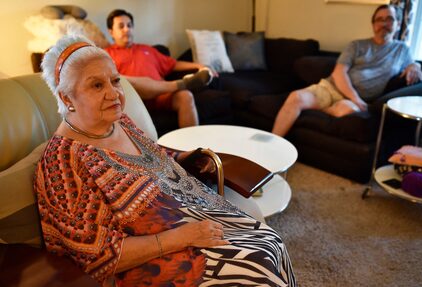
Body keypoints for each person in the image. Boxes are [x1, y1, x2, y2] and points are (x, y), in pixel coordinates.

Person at [34, 34, 296, 287]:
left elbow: (152, 154)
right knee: (259, 269)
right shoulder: (62, 162)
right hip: (153, 259)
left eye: (115, 80)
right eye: (96, 85)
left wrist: (182, 157)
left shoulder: (119, 121)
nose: (114, 94)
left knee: (271, 242)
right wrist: (182, 237)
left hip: (188, 213)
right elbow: (95, 255)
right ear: (67, 98)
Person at [272, 4, 422, 137]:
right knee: (295, 97)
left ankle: (320, 108)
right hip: (331, 88)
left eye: (389, 19)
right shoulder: (357, 45)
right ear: (373, 25)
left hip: (353, 102)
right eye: (379, 19)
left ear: (398, 24)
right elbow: (339, 73)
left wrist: (415, 66)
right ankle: (272, 148)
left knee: (345, 112)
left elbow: (415, 66)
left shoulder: (402, 50)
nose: (384, 23)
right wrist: (355, 99)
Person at [105, 9, 213, 128]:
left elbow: (173, 64)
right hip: (133, 98)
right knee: (123, 79)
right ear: (111, 32)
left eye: (129, 25)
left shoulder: (147, 49)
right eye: (121, 26)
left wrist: (199, 66)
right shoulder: (105, 54)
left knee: (186, 96)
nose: (127, 29)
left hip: (160, 94)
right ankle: (181, 84)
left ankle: (191, 145)